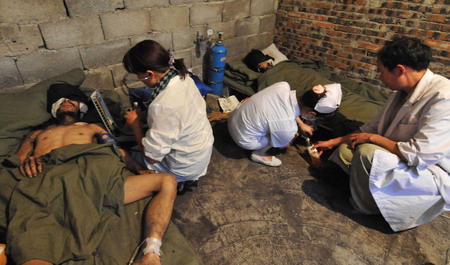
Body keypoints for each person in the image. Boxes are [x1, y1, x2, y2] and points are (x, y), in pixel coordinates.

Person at [13, 84, 177, 265]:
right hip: (51, 178)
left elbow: (117, 149)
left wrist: (138, 168)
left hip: (93, 173)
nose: (66, 102)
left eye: (71, 100)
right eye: (62, 101)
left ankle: (150, 252)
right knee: (32, 239)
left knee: (166, 181)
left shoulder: (93, 127)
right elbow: (18, 159)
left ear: (80, 108)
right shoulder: (37, 134)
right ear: (54, 109)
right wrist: (27, 161)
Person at [313, 37, 450, 232]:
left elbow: (419, 155)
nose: (379, 76)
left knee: (367, 152)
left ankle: (364, 207)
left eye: (381, 71)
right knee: (346, 148)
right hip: (400, 156)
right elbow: (371, 127)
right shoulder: (400, 92)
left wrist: (372, 139)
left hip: (430, 171)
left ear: (400, 70)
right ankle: (362, 190)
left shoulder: (443, 97)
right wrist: (333, 141)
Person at [122, 40, 214, 191]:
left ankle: (177, 181)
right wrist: (146, 115)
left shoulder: (162, 106)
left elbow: (151, 157)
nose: (138, 78)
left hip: (183, 167)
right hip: (200, 154)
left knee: (126, 154)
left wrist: (136, 125)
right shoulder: (183, 76)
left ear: (149, 74)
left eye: (137, 74)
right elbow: (180, 113)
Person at [228, 81, 342, 166]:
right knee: (279, 138)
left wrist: (301, 124)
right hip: (242, 138)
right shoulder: (288, 128)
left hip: (233, 118)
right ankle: (259, 154)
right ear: (311, 114)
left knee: (270, 119)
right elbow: (284, 145)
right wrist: (296, 132)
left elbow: (287, 107)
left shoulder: (283, 86)